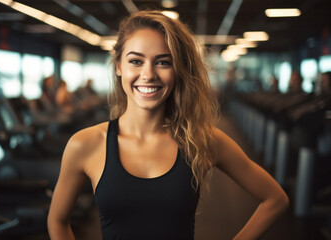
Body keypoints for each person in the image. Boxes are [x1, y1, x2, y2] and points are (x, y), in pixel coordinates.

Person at [48, 10, 289, 240]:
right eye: (136, 61)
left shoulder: (202, 139)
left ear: (178, 71)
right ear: (119, 66)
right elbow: (57, 221)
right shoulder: (85, 144)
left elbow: (275, 199)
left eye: (163, 62)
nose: (148, 74)